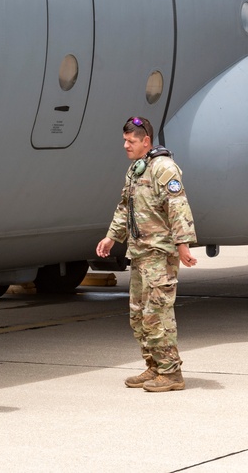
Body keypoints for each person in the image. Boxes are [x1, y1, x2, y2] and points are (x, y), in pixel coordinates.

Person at [95, 116, 197, 392]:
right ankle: (154, 366)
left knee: (157, 313)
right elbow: (124, 207)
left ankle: (171, 373)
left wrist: (183, 245)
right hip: (139, 253)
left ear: (146, 141)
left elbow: (178, 207)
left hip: (159, 254)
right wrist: (111, 237)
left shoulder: (164, 169)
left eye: (131, 141)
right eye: (125, 141)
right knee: (139, 315)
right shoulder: (136, 170)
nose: (126, 145)